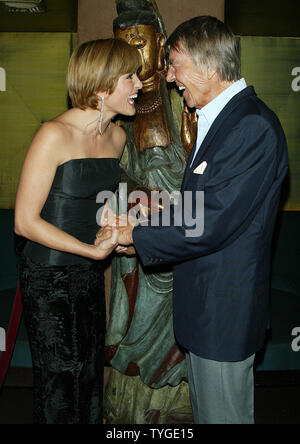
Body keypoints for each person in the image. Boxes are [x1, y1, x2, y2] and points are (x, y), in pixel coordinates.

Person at [97, 16, 289, 424]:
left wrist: (138, 234)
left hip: (222, 314)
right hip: (205, 314)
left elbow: (211, 220)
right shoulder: (223, 119)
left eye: (175, 63)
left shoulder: (249, 125)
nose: (169, 77)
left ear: (208, 66)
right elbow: (201, 208)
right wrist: (147, 223)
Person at [14, 38, 142, 424]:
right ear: (102, 86)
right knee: (60, 382)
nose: (139, 84)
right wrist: (92, 252)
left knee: (88, 375)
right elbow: (24, 221)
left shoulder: (118, 137)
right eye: (130, 77)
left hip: (87, 276)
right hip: (48, 277)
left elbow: (100, 205)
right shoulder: (53, 134)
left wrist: (115, 232)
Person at [102, 0, 192, 424]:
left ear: (160, 44)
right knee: (135, 309)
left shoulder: (182, 105)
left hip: (181, 229)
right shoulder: (124, 110)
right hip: (136, 231)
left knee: (175, 314)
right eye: (124, 46)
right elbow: (110, 178)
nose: (134, 54)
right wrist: (136, 200)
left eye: (140, 42)